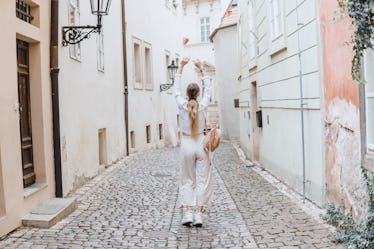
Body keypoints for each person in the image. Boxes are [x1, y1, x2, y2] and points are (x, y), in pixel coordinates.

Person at [174, 57, 212, 227]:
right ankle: (198, 215)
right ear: (197, 93)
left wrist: (181, 66)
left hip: (187, 143)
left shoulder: (182, 104)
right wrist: (201, 68)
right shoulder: (203, 104)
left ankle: (188, 213)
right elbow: (208, 89)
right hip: (201, 144)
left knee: (187, 180)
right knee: (202, 180)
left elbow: (175, 90)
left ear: (187, 93)